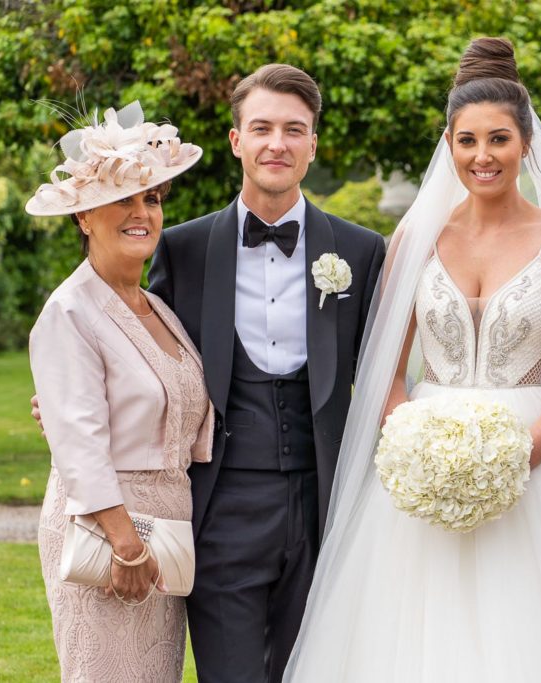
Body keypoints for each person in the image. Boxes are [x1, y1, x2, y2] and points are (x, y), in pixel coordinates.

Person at [283, 37, 541, 682]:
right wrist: (413, 445)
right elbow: (384, 366)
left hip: (537, 469)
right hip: (421, 468)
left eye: (498, 139)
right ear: (449, 145)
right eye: (467, 140)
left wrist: (514, 460)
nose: (482, 155)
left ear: (526, 143)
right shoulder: (414, 238)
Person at [146, 64, 386, 682]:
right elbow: (145, 354)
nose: (277, 143)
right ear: (236, 140)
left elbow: (386, 376)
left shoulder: (362, 251)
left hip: (326, 506)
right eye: (261, 128)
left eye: (293, 129)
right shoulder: (183, 249)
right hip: (221, 506)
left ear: (313, 144)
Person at [27, 101, 212, 682]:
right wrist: (125, 544)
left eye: (151, 198)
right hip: (107, 537)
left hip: (167, 536)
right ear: (84, 216)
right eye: (122, 199)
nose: (141, 213)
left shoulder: (156, 307)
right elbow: (80, 445)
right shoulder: (69, 311)